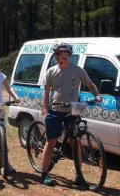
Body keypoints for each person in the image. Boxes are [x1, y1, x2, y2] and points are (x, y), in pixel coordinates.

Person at [40, 42, 102, 186]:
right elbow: (46, 92)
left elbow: (90, 84)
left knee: (76, 142)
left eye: (58, 53)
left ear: (66, 54)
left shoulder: (78, 70)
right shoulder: (51, 71)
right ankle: (44, 173)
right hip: (56, 109)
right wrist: (46, 109)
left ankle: (78, 175)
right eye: (55, 54)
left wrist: (97, 95)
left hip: (74, 108)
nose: (56, 56)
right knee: (51, 142)